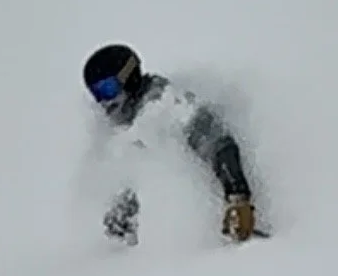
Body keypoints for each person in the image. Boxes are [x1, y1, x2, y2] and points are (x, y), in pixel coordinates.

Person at [81, 43, 261, 244]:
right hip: (159, 249)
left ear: (128, 77)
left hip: (209, 236)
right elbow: (141, 173)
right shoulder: (123, 129)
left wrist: (238, 198)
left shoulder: (166, 102)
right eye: (97, 94)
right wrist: (123, 214)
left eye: (108, 89)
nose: (105, 102)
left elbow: (218, 144)